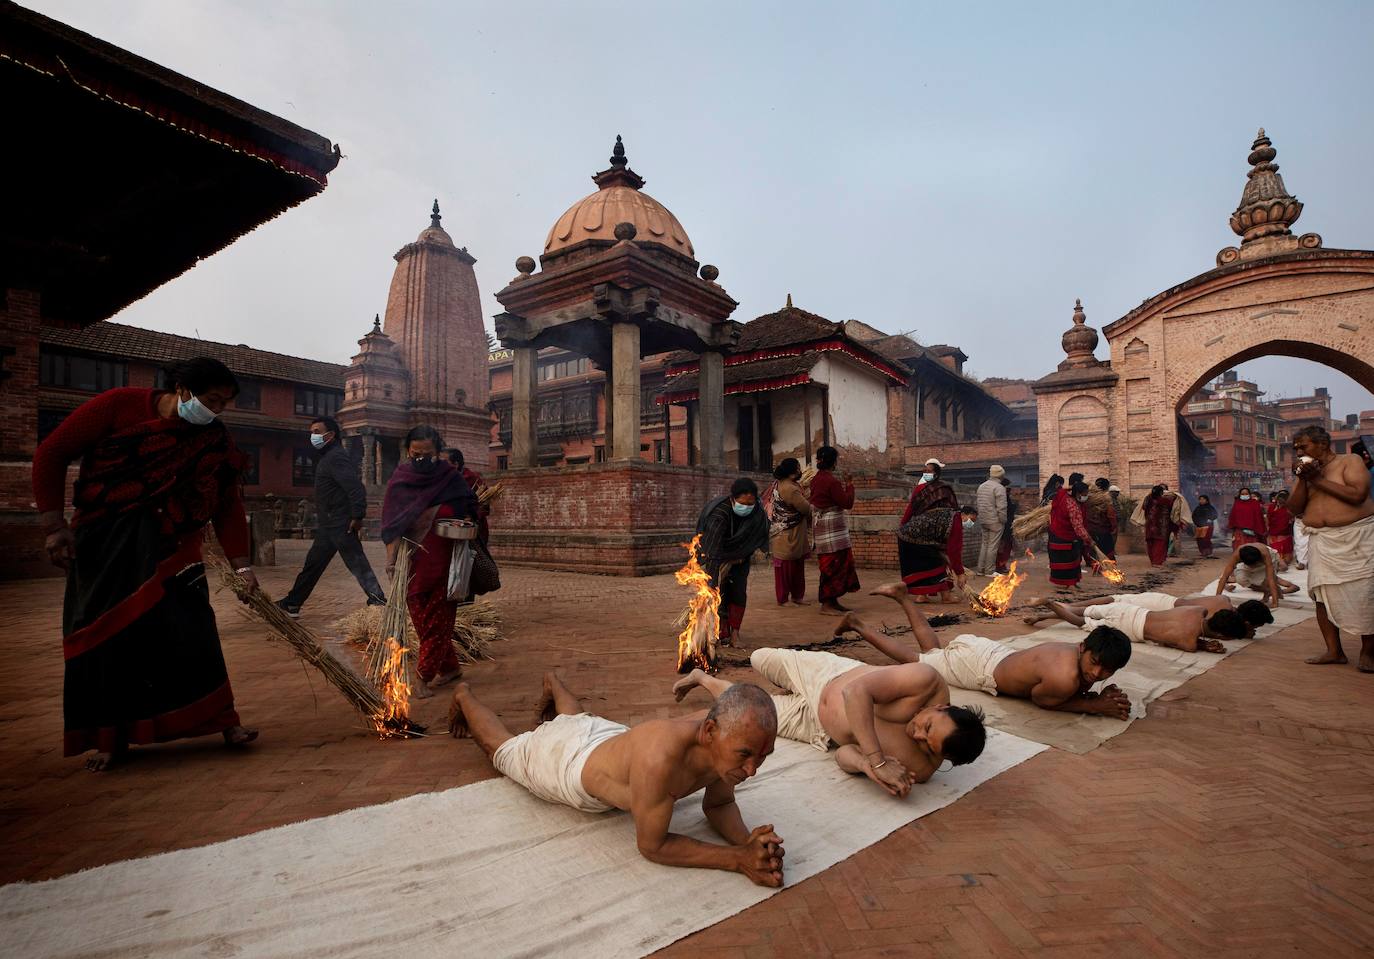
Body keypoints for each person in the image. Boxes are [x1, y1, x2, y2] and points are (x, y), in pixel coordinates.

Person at [33, 357, 259, 772]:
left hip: (175, 544)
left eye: (226, 403)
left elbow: (227, 502)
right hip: (106, 542)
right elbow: (52, 453)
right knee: (107, 634)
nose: (218, 410)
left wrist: (242, 566)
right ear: (183, 391)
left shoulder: (213, 438)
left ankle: (224, 722)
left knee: (194, 630)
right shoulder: (119, 405)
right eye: (213, 400)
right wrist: (53, 526)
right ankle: (109, 738)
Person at [448, 673, 786, 887]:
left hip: (607, 737)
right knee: (503, 749)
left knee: (578, 721)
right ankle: (463, 697)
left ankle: (553, 682)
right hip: (567, 763)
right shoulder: (659, 760)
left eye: (763, 756)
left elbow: (720, 804)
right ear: (709, 731)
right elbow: (653, 846)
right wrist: (736, 860)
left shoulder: (729, 738)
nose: (753, 769)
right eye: (746, 755)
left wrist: (750, 845)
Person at [673, 622, 987, 796]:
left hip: (818, 728)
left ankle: (701, 678)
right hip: (826, 675)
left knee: (749, 712)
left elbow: (843, 754)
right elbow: (856, 692)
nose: (916, 734)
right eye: (927, 726)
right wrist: (878, 761)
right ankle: (787, 684)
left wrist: (867, 767)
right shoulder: (925, 681)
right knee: (759, 658)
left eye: (926, 745)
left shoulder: (919, 767)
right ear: (942, 706)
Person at [862, 585, 1133, 718]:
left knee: (932, 651)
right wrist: (1095, 704)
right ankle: (858, 624)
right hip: (979, 667)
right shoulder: (1064, 676)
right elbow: (1043, 700)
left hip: (991, 652)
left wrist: (1095, 695)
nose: (1096, 673)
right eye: (1095, 663)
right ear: (1083, 647)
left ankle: (902, 596)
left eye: (1106, 670)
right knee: (916, 662)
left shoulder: (1072, 654)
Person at [381, 425, 478, 696]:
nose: (421, 458)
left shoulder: (450, 478)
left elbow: (471, 508)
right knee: (422, 621)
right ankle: (450, 668)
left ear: (438, 452)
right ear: (408, 452)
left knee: (438, 621)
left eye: (428, 453)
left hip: (446, 563)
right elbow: (392, 523)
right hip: (412, 564)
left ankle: (423, 675)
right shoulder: (401, 479)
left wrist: (467, 519)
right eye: (416, 453)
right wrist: (390, 558)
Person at [276, 417, 385, 618]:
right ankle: (293, 603)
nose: (313, 436)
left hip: (340, 522)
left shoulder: (336, 457)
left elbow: (355, 487)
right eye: (311, 432)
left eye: (317, 431)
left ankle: (378, 601)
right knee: (313, 565)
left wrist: (358, 515)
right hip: (329, 524)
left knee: (357, 564)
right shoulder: (328, 456)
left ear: (331, 434)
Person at [1286, 425, 1374, 670]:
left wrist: (1318, 480)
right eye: (1296, 448)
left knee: (1366, 595)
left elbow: (1357, 495)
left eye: (1303, 446)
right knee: (1321, 597)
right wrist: (1305, 480)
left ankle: (1369, 653)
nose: (1298, 451)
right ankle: (1334, 651)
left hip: (1357, 538)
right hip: (1323, 541)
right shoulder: (1307, 473)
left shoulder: (1350, 461)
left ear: (1322, 444)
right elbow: (1294, 509)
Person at [1024, 598, 1248, 653]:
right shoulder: (1189, 642)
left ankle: (1044, 612)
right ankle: (1049, 605)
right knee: (1078, 622)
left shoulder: (1199, 611)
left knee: (1080, 612)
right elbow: (1184, 642)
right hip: (1131, 629)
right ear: (1220, 634)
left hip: (1131, 610)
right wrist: (1206, 646)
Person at [696, 478, 769, 645]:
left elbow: (757, 536)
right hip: (718, 557)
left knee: (738, 592)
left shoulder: (757, 512)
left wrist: (742, 555)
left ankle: (735, 633)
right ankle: (719, 629)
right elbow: (712, 551)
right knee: (719, 593)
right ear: (732, 499)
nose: (747, 507)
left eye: (750, 504)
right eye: (742, 503)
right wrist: (711, 585)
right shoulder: (719, 514)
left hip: (741, 557)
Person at [1026, 592, 1274, 636]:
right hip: (1154, 609)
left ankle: (1046, 612)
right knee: (1086, 613)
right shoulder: (1223, 617)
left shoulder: (1224, 600)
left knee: (1090, 610)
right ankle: (1050, 608)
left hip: (1162, 601)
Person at [898, 458, 965, 603]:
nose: (926, 473)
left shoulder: (942, 492)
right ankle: (943, 596)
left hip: (918, 532)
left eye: (929, 471)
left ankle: (923, 595)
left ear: (936, 473)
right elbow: (954, 549)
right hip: (924, 532)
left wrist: (903, 527)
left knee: (929, 561)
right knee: (937, 561)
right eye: (925, 471)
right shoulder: (953, 517)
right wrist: (960, 573)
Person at [808, 446, 860, 613]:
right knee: (835, 564)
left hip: (823, 526)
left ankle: (832, 601)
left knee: (831, 563)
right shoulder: (831, 481)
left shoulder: (816, 479)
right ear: (833, 462)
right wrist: (850, 484)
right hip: (832, 527)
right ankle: (827, 603)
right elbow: (847, 503)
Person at [766, 458, 812, 606]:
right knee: (786, 569)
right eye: (798, 469)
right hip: (788, 535)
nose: (801, 471)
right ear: (792, 473)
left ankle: (797, 597)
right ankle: (784, 598)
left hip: (792, 534)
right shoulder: (790, 489)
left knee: (796, 568)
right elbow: (805, 508)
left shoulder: (783, 484)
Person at [1216, 543, 1299, 608]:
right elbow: (1224, 577)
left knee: (1265, 580)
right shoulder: (1237, 555)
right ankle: (1267, 591)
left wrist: (1275, 603)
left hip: (1270, 557)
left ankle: (1269, 594)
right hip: (1249, 560)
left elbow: (1271, 579)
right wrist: (1217, 599)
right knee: (1241, 579)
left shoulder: (1265, 554)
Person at [1047, 479, 1093, 588]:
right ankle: (1067, 584)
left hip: (1056, 533)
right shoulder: (1072, 505)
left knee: (1072, 560)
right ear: (1077, 493)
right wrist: (1089, 539)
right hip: (1063, 535)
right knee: (1067, 561)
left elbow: (1063, 490)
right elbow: (1078, 527)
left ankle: (1071, 583)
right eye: (1084, 494)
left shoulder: (1063, 495)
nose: (1085, 497)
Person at [446, 448, 491, 547]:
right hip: (450, 529)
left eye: (446, 463)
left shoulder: (472, 480)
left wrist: (471, 517)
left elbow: (485, 505)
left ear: (456, 464)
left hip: (472, 530)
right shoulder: (445, 480)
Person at [974, 465, 1009, 575]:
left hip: (983, 519)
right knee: (992, 546)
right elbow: (1002, 507)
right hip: (995, 521)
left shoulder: (981, 486)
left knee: (984, 544)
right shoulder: (999, 488)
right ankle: (989, 571)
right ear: (1001, 475)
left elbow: (978, 503)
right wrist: (1003, 520)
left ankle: (980, 569)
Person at [1135, 485, 1172, 567]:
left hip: (1149, 524)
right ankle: (1157, 562)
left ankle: (1153, 561)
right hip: (1161, 526)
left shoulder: (1148, 499)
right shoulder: (1165, 500)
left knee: (1150, 543)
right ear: (1161, 492)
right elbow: (1171, 507)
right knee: (1160, 543)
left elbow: (1144, 507)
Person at [1084, 479, 1119, 563]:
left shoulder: (1088, 499)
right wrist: (1114, 529)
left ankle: (1097, 567)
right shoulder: (1106, 501)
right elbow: (1111, 517)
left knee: (1094, 553)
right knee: (1108, 554)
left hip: (1090, 531)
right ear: (1107, 487)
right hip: (1103, 532)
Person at [995, 476, 1016, 574]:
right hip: (1004, 525)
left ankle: (1002, 565)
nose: (1009, 490)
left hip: (1007, 525)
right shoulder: (1001, 497)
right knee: (1002, 547)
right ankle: (999, 566)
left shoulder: (1006, 497)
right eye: (1008, 488)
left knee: (1006, 546)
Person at [1267, 490, 1295, 564]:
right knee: (1275, 547)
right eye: (1279, 499)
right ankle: (1277, 561)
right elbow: (1269, 518)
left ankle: (1285, 561)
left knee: (1285, 547)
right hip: (1273, 531)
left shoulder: (1290, 507)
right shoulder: (1272, 506)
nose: (1281, 501)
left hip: (1285, 531)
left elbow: (1292, 518)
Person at [1193, 494, 1219, 558]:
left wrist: (1210, 519)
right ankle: (1202, 552)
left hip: (1208, 526)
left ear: (1207, 500)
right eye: (1200, 499)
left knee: (1206, 539)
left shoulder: (1210, 507)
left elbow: (1215, 515)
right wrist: (1196, 522)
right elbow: (1194, 516)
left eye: (1203, 499)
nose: (1201, 501)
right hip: (1199, 526)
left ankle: (1209, 552)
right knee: (1199, 539)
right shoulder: (1197, 508)